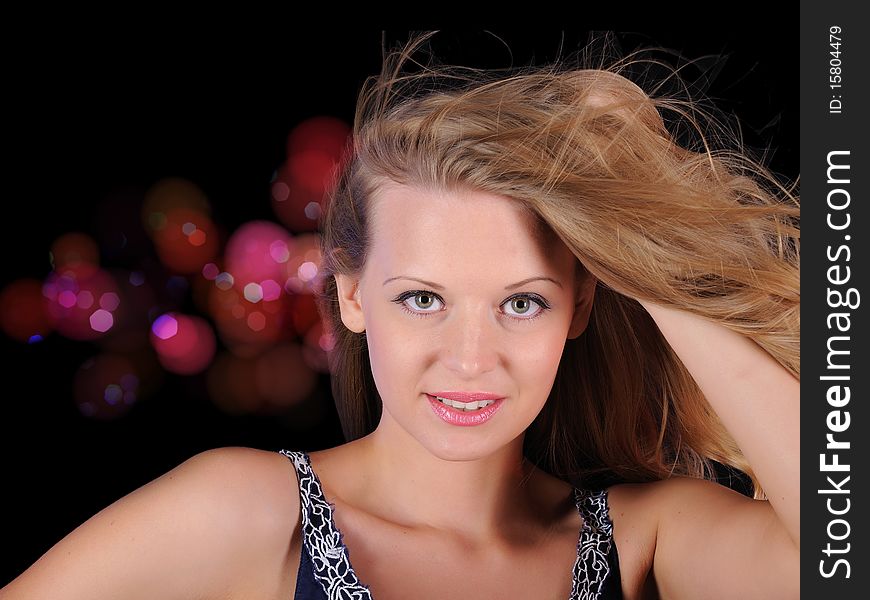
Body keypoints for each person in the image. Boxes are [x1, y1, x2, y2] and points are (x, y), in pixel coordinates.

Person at [1, 31, 799, 599]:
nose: (470, 358)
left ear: (582, 304)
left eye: (523, 303)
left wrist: (643, 249)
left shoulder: (641, 540)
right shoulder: (248, 513)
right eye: (423, 299)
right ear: (351, 295)